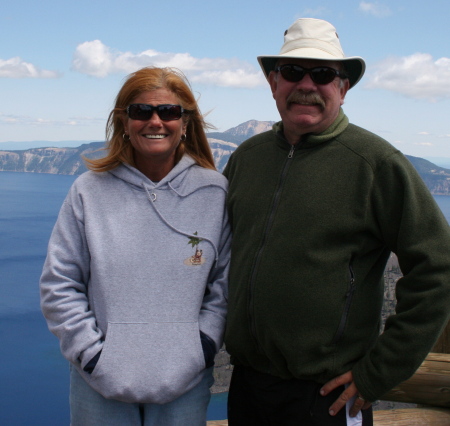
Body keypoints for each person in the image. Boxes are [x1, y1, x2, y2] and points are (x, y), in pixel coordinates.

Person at [223, 18, 450, 425]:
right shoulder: (247, 158)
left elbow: (439, 267)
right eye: (292, 72)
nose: (306, 85)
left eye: (324, 74)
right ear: (274, 83)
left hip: (326, 397)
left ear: (343, 88)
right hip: (249, 387)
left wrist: (379, 372)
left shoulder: (376, 164)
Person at [40, 67, 230, 426]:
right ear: (124, 122)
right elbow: (59, 283)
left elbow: (224, 284)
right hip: (98, 384)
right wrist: (92, 356)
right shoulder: (88, 191)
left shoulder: (214, 192)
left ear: (185, 122)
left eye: (169, 112)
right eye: (141, 111)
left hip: (185, 383)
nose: (155, 121)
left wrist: (201, 348)